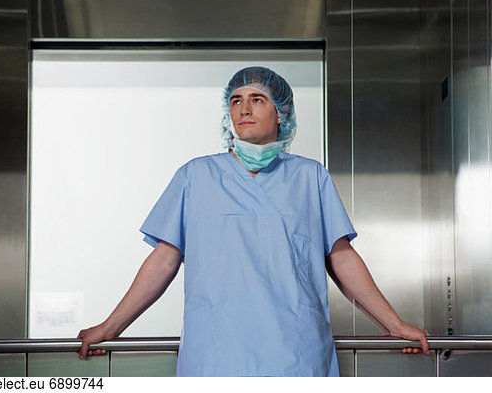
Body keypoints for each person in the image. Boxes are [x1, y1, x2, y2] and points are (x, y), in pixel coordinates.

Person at [77, 66, 429, 376]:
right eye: (235, 100)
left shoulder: (310, 178)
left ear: (282, 112)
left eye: (258, 99)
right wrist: (111, 327)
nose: (243, 108)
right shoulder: (195, 176)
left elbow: (341, 259)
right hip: (217, 356)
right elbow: (163, 260)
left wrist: (394, 324)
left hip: (295, 355)